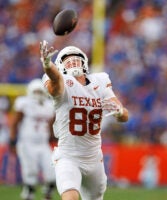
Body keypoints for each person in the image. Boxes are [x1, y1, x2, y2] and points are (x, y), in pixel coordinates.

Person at [39, 40, 129, 200]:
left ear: (84, 62)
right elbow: (55, 87)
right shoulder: (61, 81)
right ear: (60, 66)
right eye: (67, 59)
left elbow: (124, 116)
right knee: (70, 196)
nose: (73, 61)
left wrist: (119, 112)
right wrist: (48, 65)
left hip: (94, 157)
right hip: (68, 156)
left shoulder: (100, 81)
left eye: (76, 58)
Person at [9, 78, 56, 200]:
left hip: (43, 143)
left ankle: (47, 194)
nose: (38, 95)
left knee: (52, 172)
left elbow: (51, 125)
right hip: (26, 143)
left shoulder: (49, 105)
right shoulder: (24, 103)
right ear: (30, 91)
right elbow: (15, 123)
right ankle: (28, 195)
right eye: (35, 92)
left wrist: (53, 138)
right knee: (31, 172)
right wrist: (12, 141)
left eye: (40, 92)